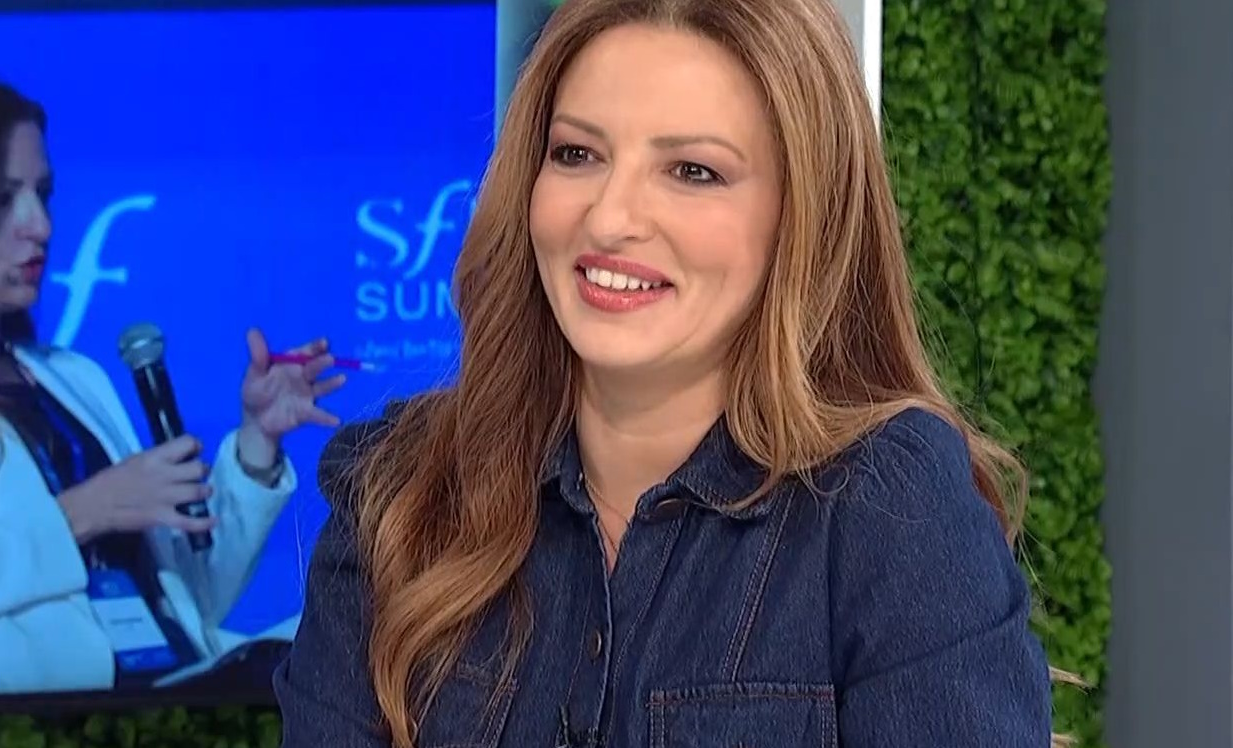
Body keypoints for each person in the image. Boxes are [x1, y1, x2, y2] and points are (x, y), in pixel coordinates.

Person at [276, 0, 1064, 744]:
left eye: (692, 170)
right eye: (577, 154)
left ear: (803, 214)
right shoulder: (401, 489)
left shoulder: (890, 506)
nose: (610, 218)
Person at [0, 70, 346, 696]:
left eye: (43, 193)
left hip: (171, 693)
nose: (39, 225)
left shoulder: (72, 380)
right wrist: (78, 515)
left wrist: (257, 443)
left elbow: (193, 602)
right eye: (2, 197)